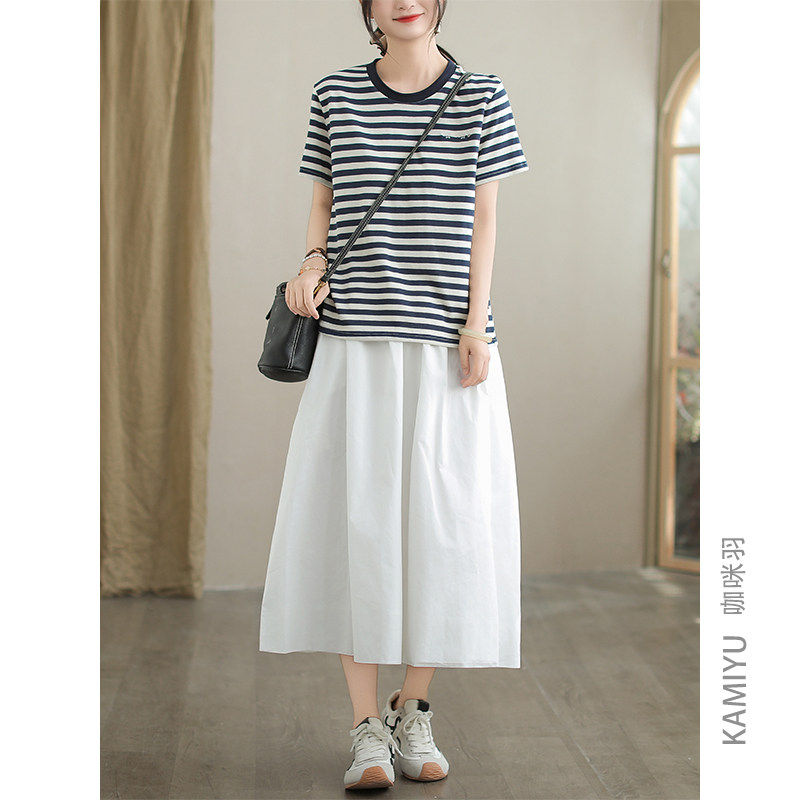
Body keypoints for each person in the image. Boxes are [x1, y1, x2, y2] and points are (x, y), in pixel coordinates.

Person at [259, 0, 529, 791]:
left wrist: (475, 323)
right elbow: (323, 202)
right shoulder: (335, 93)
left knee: (442, 532)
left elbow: (484, 219)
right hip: (355, 343)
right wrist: (311, 263)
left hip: (447, 346)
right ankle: (364, 729)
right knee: (361, 527)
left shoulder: (483, 94)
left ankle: (413, 707)